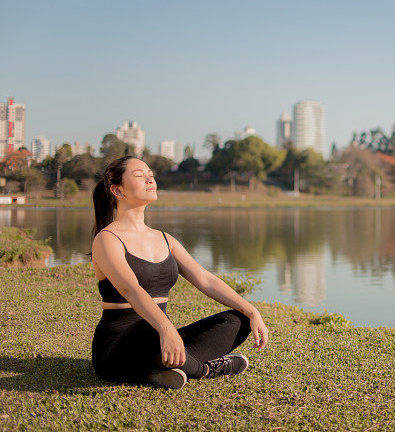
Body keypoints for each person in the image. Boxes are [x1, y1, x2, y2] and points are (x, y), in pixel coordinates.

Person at [90, 155, 269, 389]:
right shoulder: (107, 239)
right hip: (118, 349)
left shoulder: (165, 239)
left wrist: (251, 310)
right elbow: (131, 289)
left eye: (150, 175)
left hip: (161, 336)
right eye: (139, 175)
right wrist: (165, 328)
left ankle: (162, 368)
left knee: (238, 320)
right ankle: (205, 368)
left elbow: (205, 279)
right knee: (150, 327)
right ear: (117, 190)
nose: (149, 179)